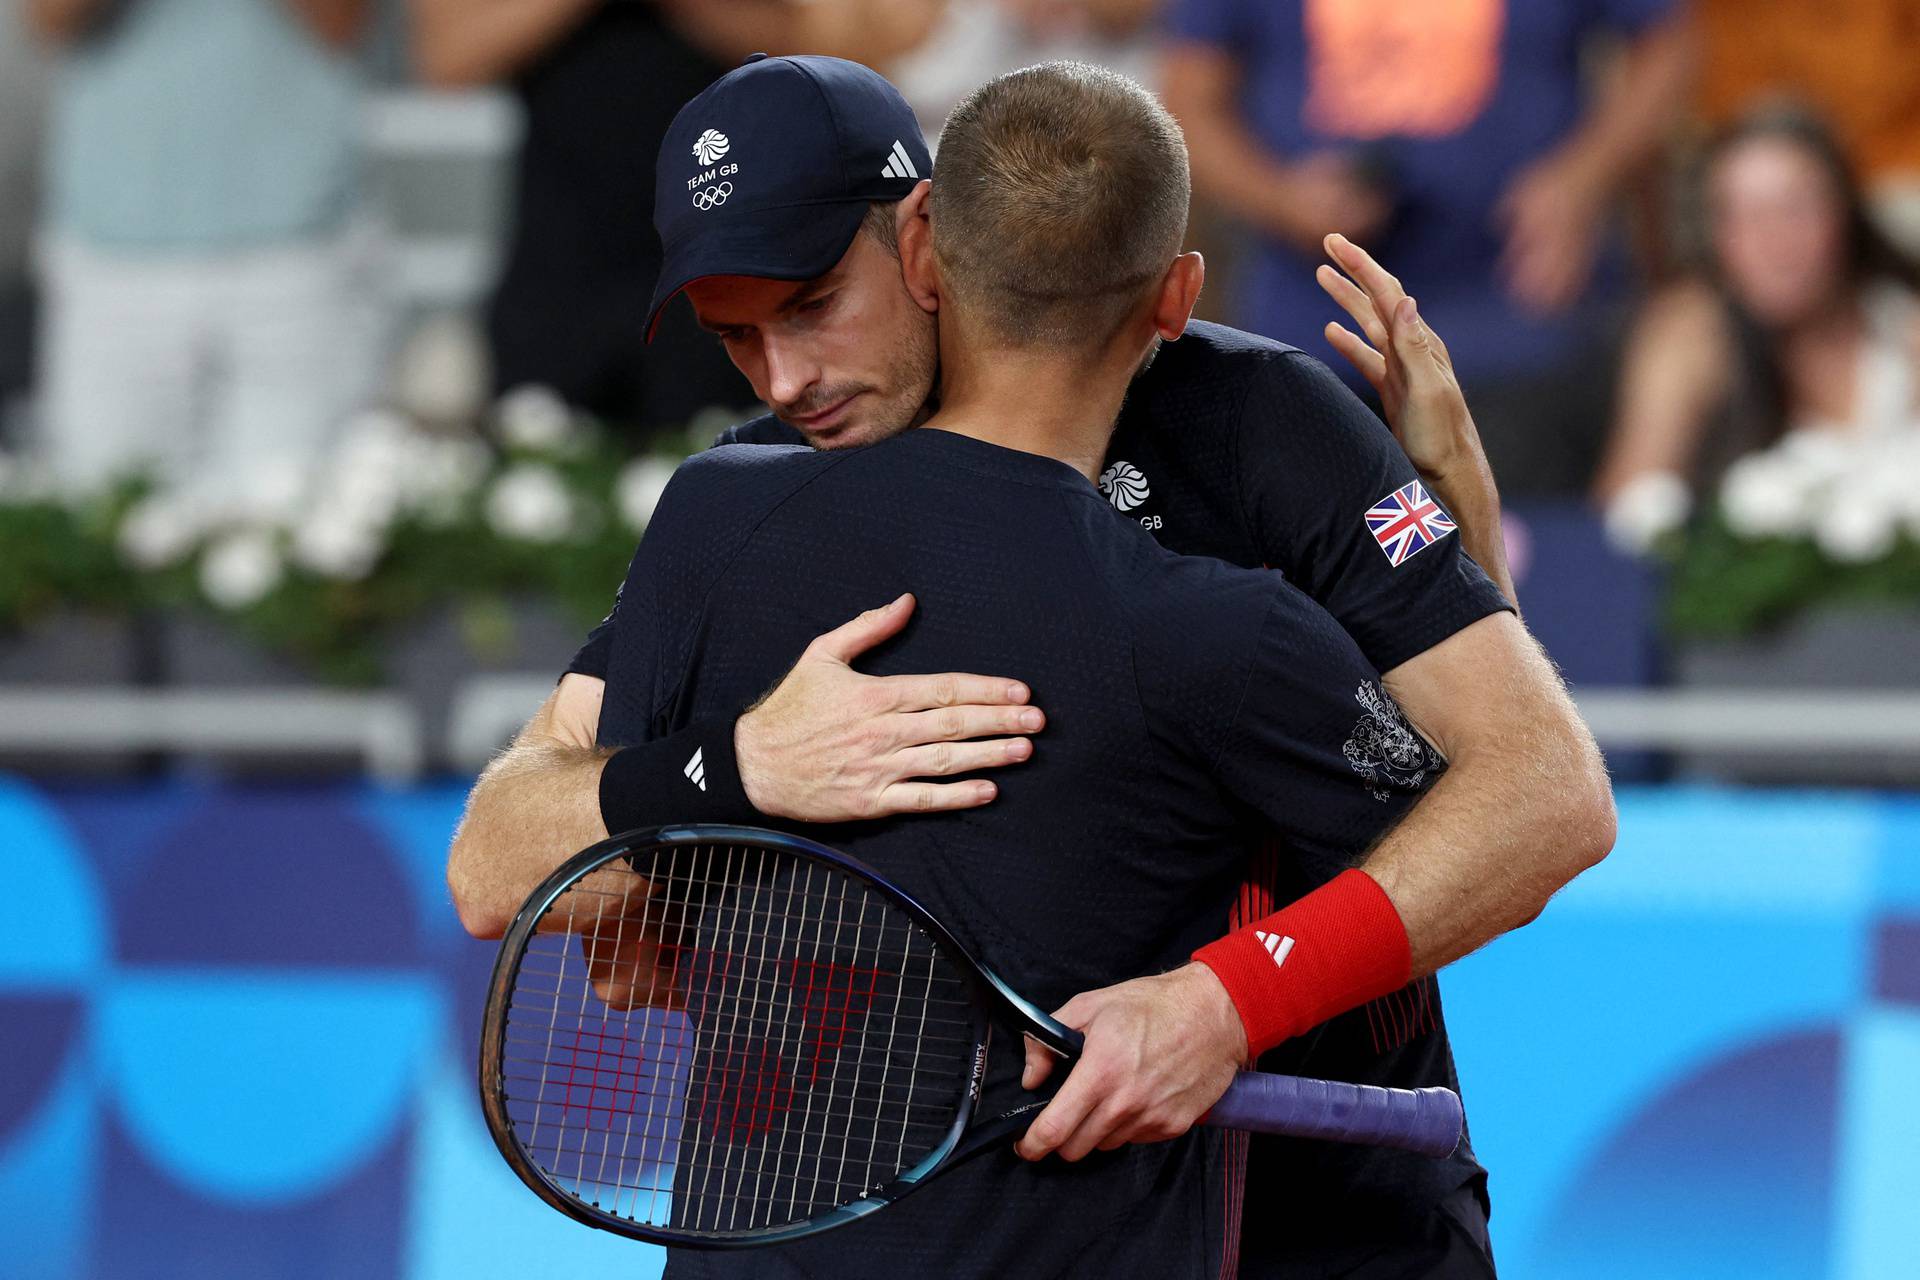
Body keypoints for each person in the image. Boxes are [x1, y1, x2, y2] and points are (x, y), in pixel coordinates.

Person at [448, 56, 1616, 1277]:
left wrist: (1227, 1000)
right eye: (734, 337)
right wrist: (738, 765)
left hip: (1333, 1206)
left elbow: (1518, 802)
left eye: (810, 304)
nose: (785, 379)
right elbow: (511, 862)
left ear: (921, 241)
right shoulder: (750, 495)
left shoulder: (1270, 425)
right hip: (976, 1221)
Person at [1158, 0, 1695, 497]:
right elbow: (1187, 100)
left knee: (1514, 565)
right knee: (1315, 569)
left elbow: (1670, 47)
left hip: (1515, 315)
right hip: (1313, 323)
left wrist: (1583, 179)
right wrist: (1281, 199)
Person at [409, 0, 944, 440]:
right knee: (536, 495)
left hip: (736, 262)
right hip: (561, 259)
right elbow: (446, 57)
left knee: (745, 486)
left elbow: (852, 62)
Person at [26, 0, 386, 499]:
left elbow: (345, 23)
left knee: (291, 535)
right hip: (115, 250)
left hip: (297, 245)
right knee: (106, 532)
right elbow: (49, 18)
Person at [1594, 104, 1920, 541]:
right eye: (1743, 215)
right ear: (1713, 236)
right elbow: (1622, 514)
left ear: (1844, 213)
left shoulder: (1905, 327)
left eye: (1796, 208)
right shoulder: (1692, 335)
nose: (1774, 241)